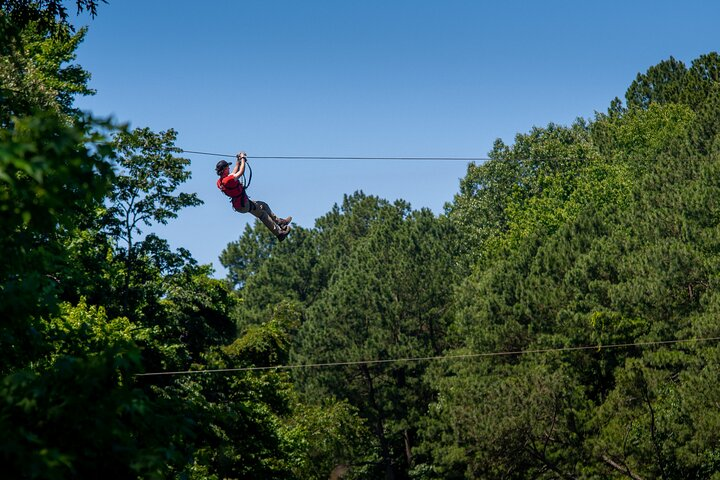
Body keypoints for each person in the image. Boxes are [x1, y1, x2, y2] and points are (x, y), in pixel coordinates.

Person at [216, 152, 292, 241]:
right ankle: (279, 234)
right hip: (243, 204)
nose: (229, 168)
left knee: (263, 205)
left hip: (240, 203)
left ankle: (280, 223)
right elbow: (240, 172)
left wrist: (238, 161)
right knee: (263, 215)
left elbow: (234, 172)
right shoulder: (228, 180)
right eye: (227, 167)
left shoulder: (220, 181)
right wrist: (243, 159)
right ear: (224, 169)